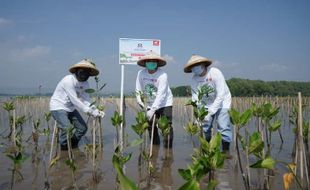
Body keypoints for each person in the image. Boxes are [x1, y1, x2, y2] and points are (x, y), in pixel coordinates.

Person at [50, 59, 105, 150]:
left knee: (82, 128)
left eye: (87, 72)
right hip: (58, 106)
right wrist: (90, 111)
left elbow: (86, 99)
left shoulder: (85, 84)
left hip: (70, 108)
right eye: (82, 71)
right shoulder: (68, 80)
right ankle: (64, 147)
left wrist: (95, 109)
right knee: (67, 128)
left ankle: (72, 145)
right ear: (76, 71)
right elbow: (75, 100)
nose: (84, 74)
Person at [184, 54, 232, 156]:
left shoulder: (215, 72)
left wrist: (211, 112)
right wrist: (198, 117)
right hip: (206, 103)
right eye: (193, 67)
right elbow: (195, 98)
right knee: (205, 127)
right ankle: (208, 149)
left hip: (223, 102)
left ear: (203, 64)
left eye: (197, 65)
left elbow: (221, 94)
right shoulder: (194, 79)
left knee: (223, 126)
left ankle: (226, 151)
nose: (195, 68)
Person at [135, 52, 173, 148]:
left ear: (157, 63)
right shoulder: (141, 73)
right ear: (145, 63)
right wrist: (139, 100)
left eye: (153, 61)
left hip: (165, 103)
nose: (151, 63)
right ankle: (155, 147)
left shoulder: (162, 75)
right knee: (150, 125)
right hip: (149, 102)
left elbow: (161, 94)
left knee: (166, 126)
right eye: (149, 61)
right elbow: (138, 89)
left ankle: (168, 149)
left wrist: (153, 109)